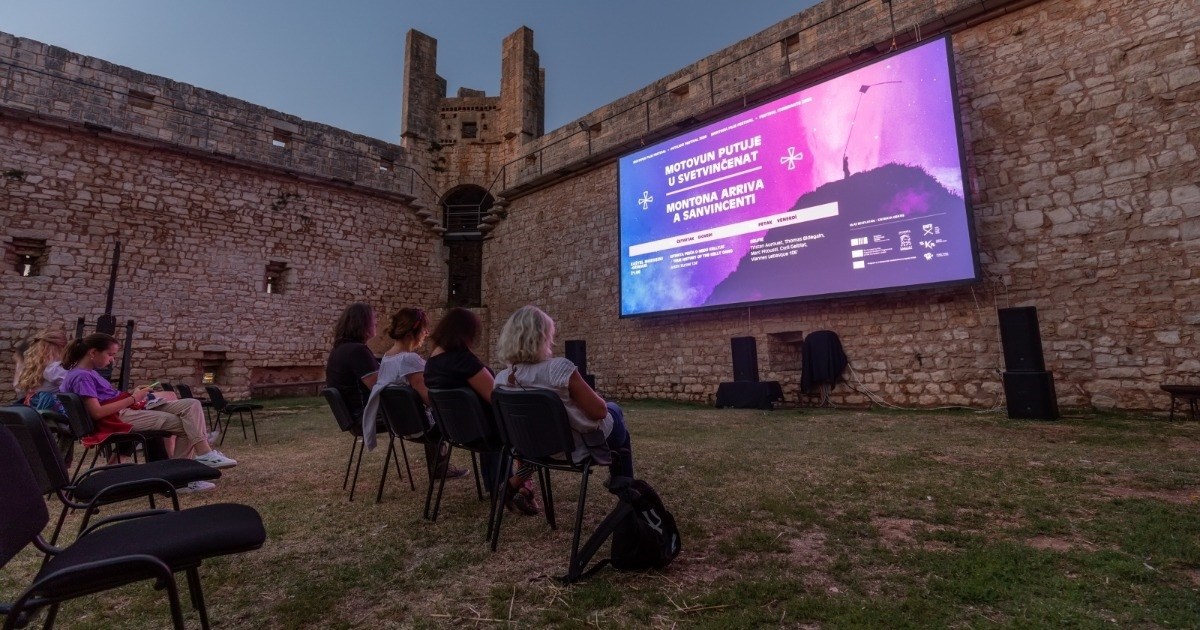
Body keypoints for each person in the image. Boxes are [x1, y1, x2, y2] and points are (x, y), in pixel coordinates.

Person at [59, 333, 235, 477]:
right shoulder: (82, 377)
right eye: (110, 354)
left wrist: (135, 395)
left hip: (127, 409)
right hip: (118, 417)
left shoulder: (85, 373)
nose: (112, 360)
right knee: (186, 424)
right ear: (93, 352)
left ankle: (203, 456)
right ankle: (183, 476)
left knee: (192, 404)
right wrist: (133, 399)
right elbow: (97, 412)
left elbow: (107, 398)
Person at [494, 306, 634, 479]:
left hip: (533, 448)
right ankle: (626, 492)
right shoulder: (558, 368)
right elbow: (599, 411)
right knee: (614, 411)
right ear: (542, 337)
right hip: (573, 449)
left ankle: (516, 483)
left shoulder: (500, 379)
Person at [425, 307, 537, 513]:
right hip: (486, 432)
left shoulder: (432, 365)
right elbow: (496, 397)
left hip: (455, 432)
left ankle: (497, 485)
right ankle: (509, 485)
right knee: (524, 425)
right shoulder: (463, 361)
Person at [361, 307, 467, 479]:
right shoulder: (408, 359)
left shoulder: (387, 358)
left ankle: (440, 468)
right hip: (422, 428)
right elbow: (430, 399)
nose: (426, 333)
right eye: (423, 329)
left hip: (400, 426)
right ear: (411, 333)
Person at [325, 302, 380, 424]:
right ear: (362, 323)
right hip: (364, 415)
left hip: (352, 415)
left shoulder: (339, 349)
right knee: (422, 413)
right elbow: (379, 387)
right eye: (373, 319)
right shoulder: (358, 351)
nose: (376, 322)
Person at [14, 328, 69, 414]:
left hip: (33, 406)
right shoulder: (54, 368)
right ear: (61, 348)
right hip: (50, 411)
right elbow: (70, 383)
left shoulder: (36, 364)